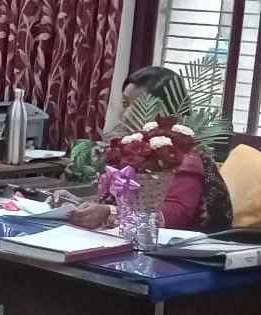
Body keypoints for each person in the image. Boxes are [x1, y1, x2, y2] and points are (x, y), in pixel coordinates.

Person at [58, 66, 228, 232]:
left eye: (137, 106)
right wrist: (74, 204)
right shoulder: (131, 149)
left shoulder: (183, 156)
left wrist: (109, 212)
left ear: (166, 110)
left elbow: (175, 216)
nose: (125, 114)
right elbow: (113, 202)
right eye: (125, 103)